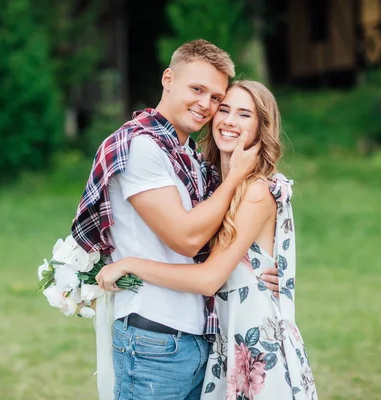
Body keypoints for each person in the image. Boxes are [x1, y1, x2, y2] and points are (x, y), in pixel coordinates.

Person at [71, 40, 280, 400]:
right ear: (168, 79)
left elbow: (216, 239)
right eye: (197, 89)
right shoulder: (141, 147)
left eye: (216, 97)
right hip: (154, 336)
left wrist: (253, 271)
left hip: (199, 339)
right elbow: (186, 239)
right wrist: (233, 178)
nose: (206, 105)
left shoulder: (189, 156)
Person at [97, 80, 318, 399]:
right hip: (223, 338)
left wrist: (130, 264)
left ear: (261, 129)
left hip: (252, 343)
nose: (229, 121)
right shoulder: (214, 186)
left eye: (244, 115)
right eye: (224, 110)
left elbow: (209, 278)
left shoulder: (256, 192)